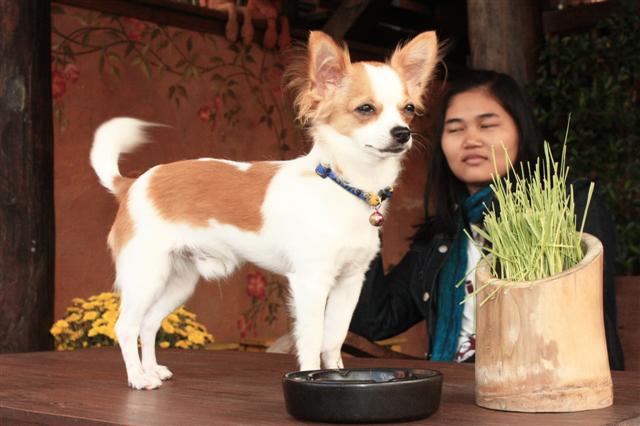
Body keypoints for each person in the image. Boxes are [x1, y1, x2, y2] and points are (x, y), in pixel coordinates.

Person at [349, 70, 625, 370]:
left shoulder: (568, 204)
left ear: (521, 132)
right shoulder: (445, 236)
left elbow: (572, 320)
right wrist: (363, 211)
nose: (471, 140)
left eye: (488, 125)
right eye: (455, 129)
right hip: (458, 388)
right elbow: (376, 320)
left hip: (548, 383)